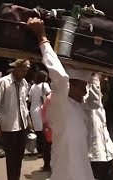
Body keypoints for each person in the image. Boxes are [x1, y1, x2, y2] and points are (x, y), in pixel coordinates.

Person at [27, 17, 95, 180]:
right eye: (81, 87)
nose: (85, 92)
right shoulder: (60, 105)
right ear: (70, 86)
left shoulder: (80, 108)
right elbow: (61, 78)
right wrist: (42, 38)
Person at [0, 59, 34, 180]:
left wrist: (29, 121)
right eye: (24, 70)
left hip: (23, 126)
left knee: (19, 157)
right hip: (9, 127)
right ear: (17, 68)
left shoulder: (25, 83)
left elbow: (24, 105)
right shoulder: (4, 82)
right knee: (11, 158)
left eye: (27, 70)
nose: (25, 73)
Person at [84, 73, 113, 180]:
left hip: (106, 153)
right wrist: (95, 76)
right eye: (103, 75)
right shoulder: (86, 95)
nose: (106, 79)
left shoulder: (99, 99)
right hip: (95, 156)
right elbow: (94, 102)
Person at [28, 70, 52, 170]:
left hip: (33, 110)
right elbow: (50, 96)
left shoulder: (33, 86)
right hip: (41, 110)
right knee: (45, 132)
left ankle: (40, 150)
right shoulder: (45, 85)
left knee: (38, 131)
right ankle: (43, 151)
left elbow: (29, 99)